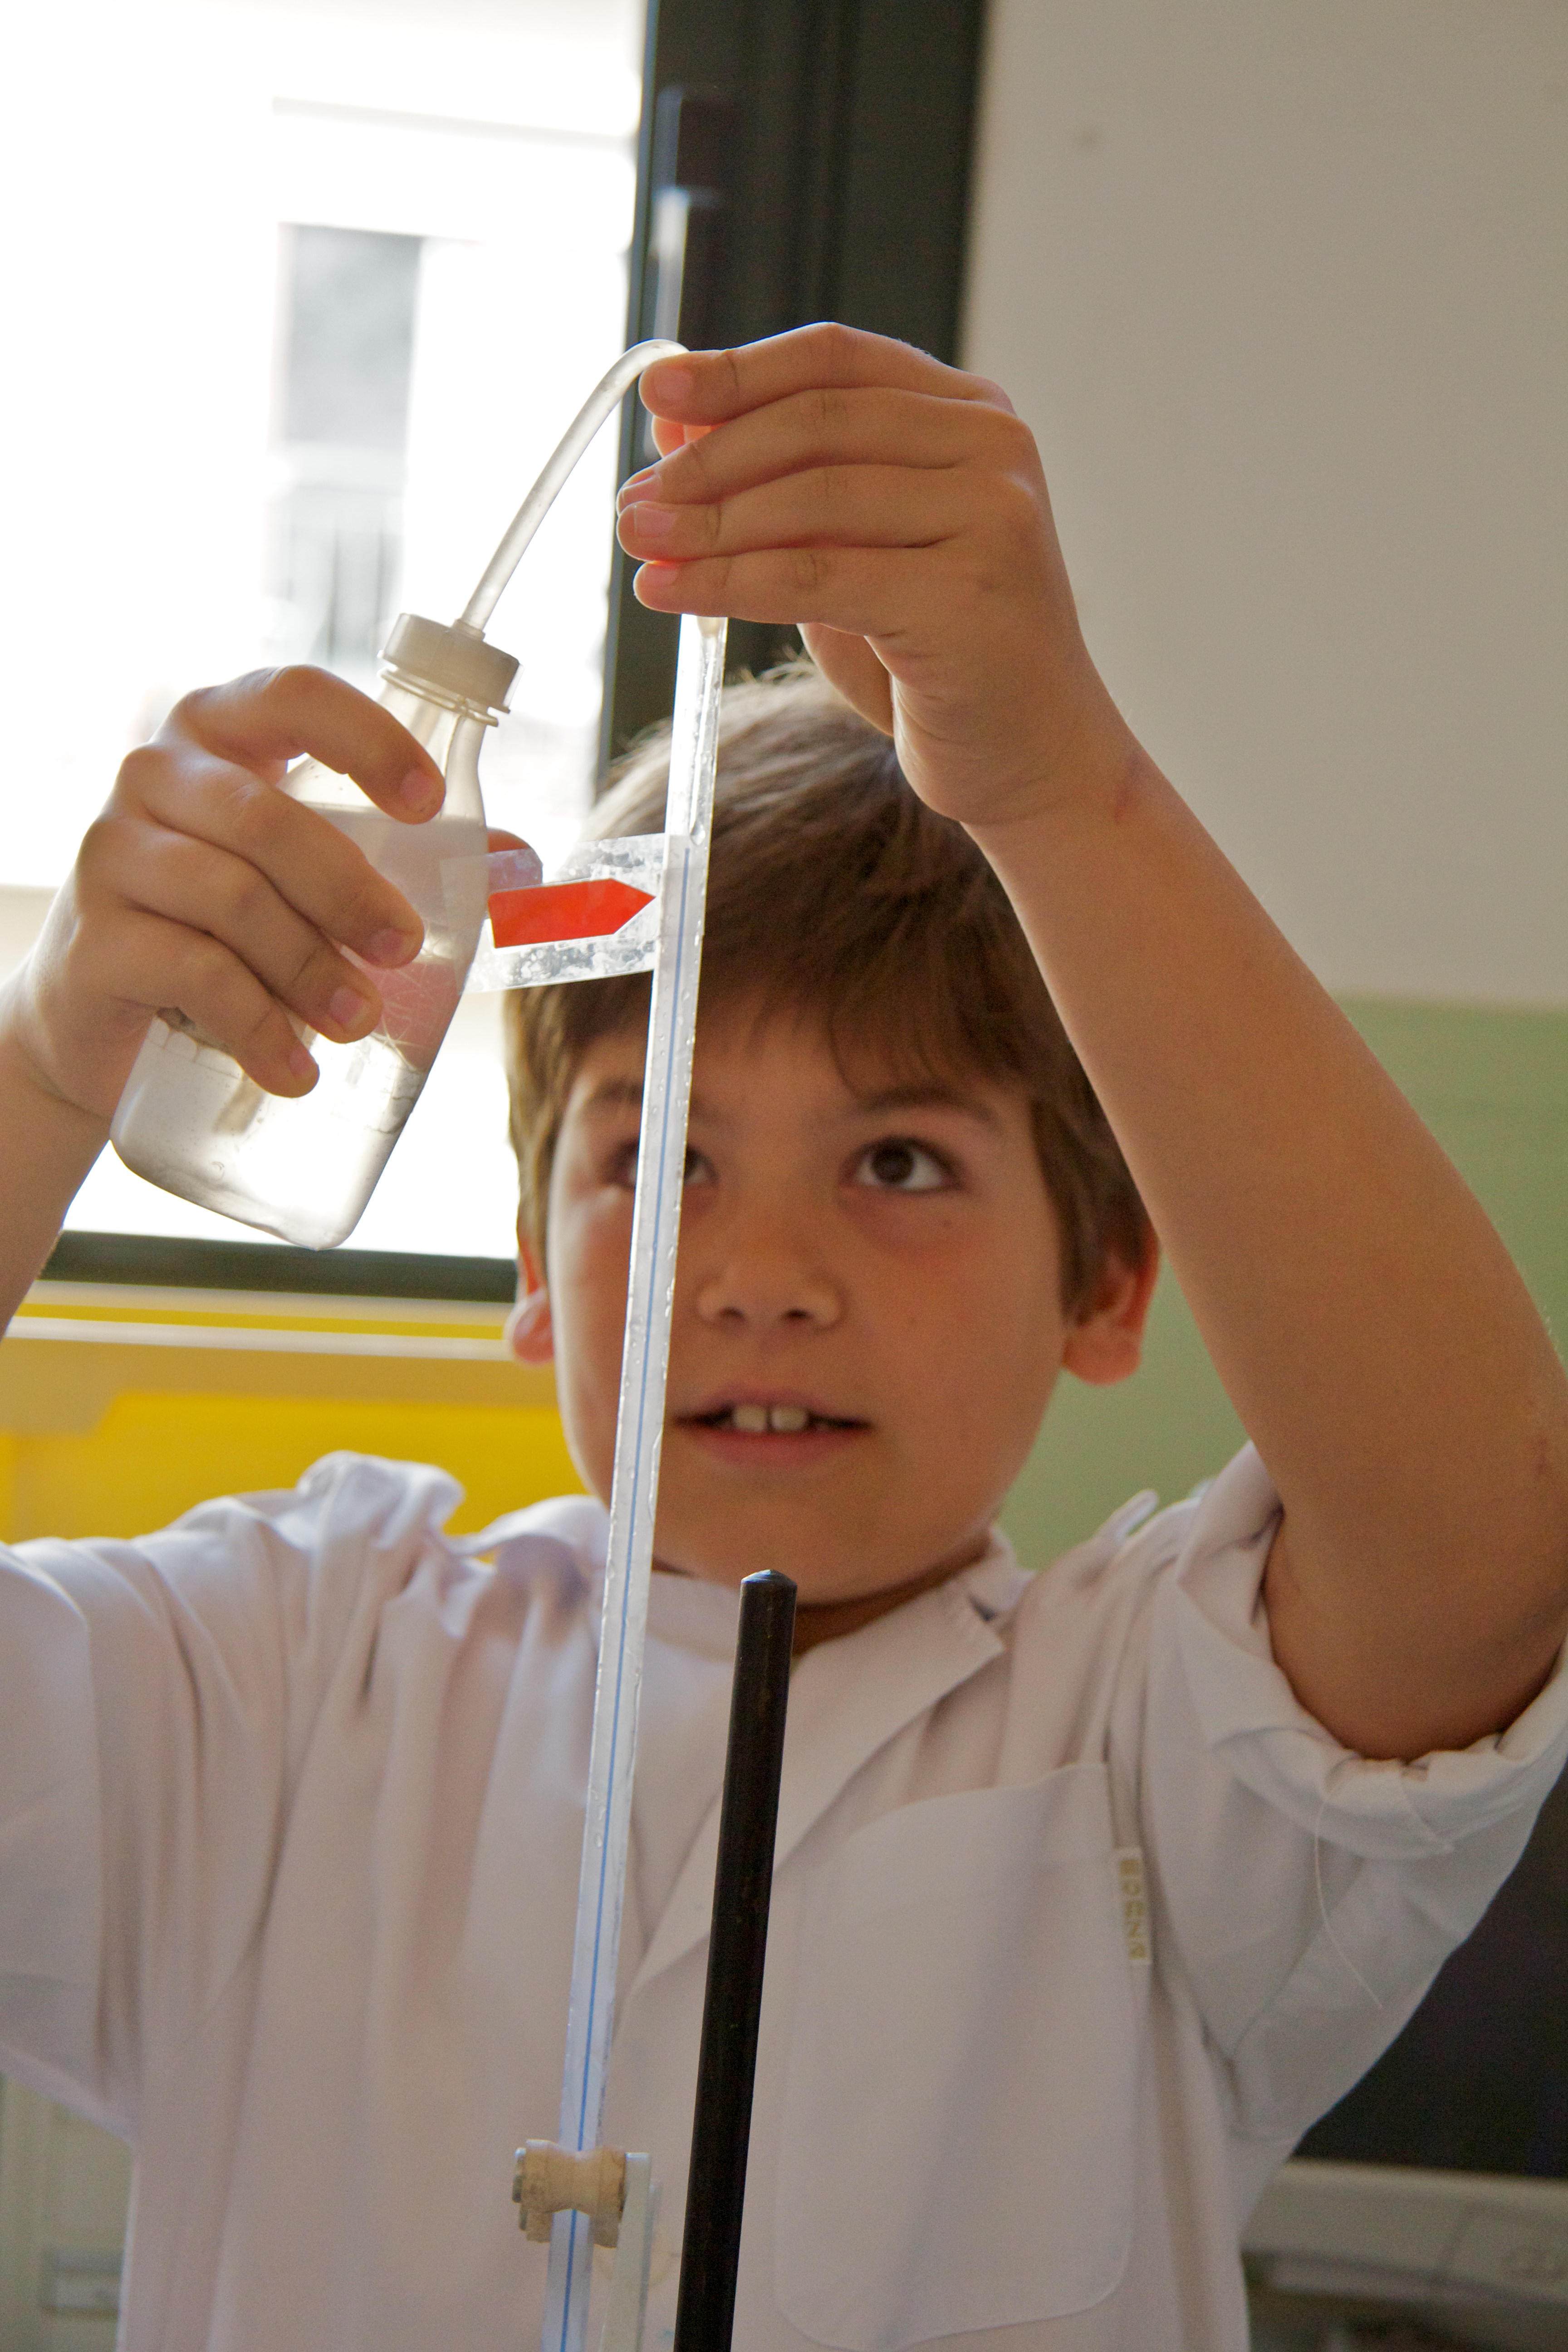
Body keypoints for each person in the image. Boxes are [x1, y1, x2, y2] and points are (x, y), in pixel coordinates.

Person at [0, 325, 1565, 2352]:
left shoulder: (1153, 1743)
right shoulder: (280, 1682)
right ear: (537, 1265)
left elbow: (1483, 1538)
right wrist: (47, 1069)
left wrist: (1066, 794)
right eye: (660, 1159)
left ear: (1106, 1282)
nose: (757, 1274)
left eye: (899, 1163)